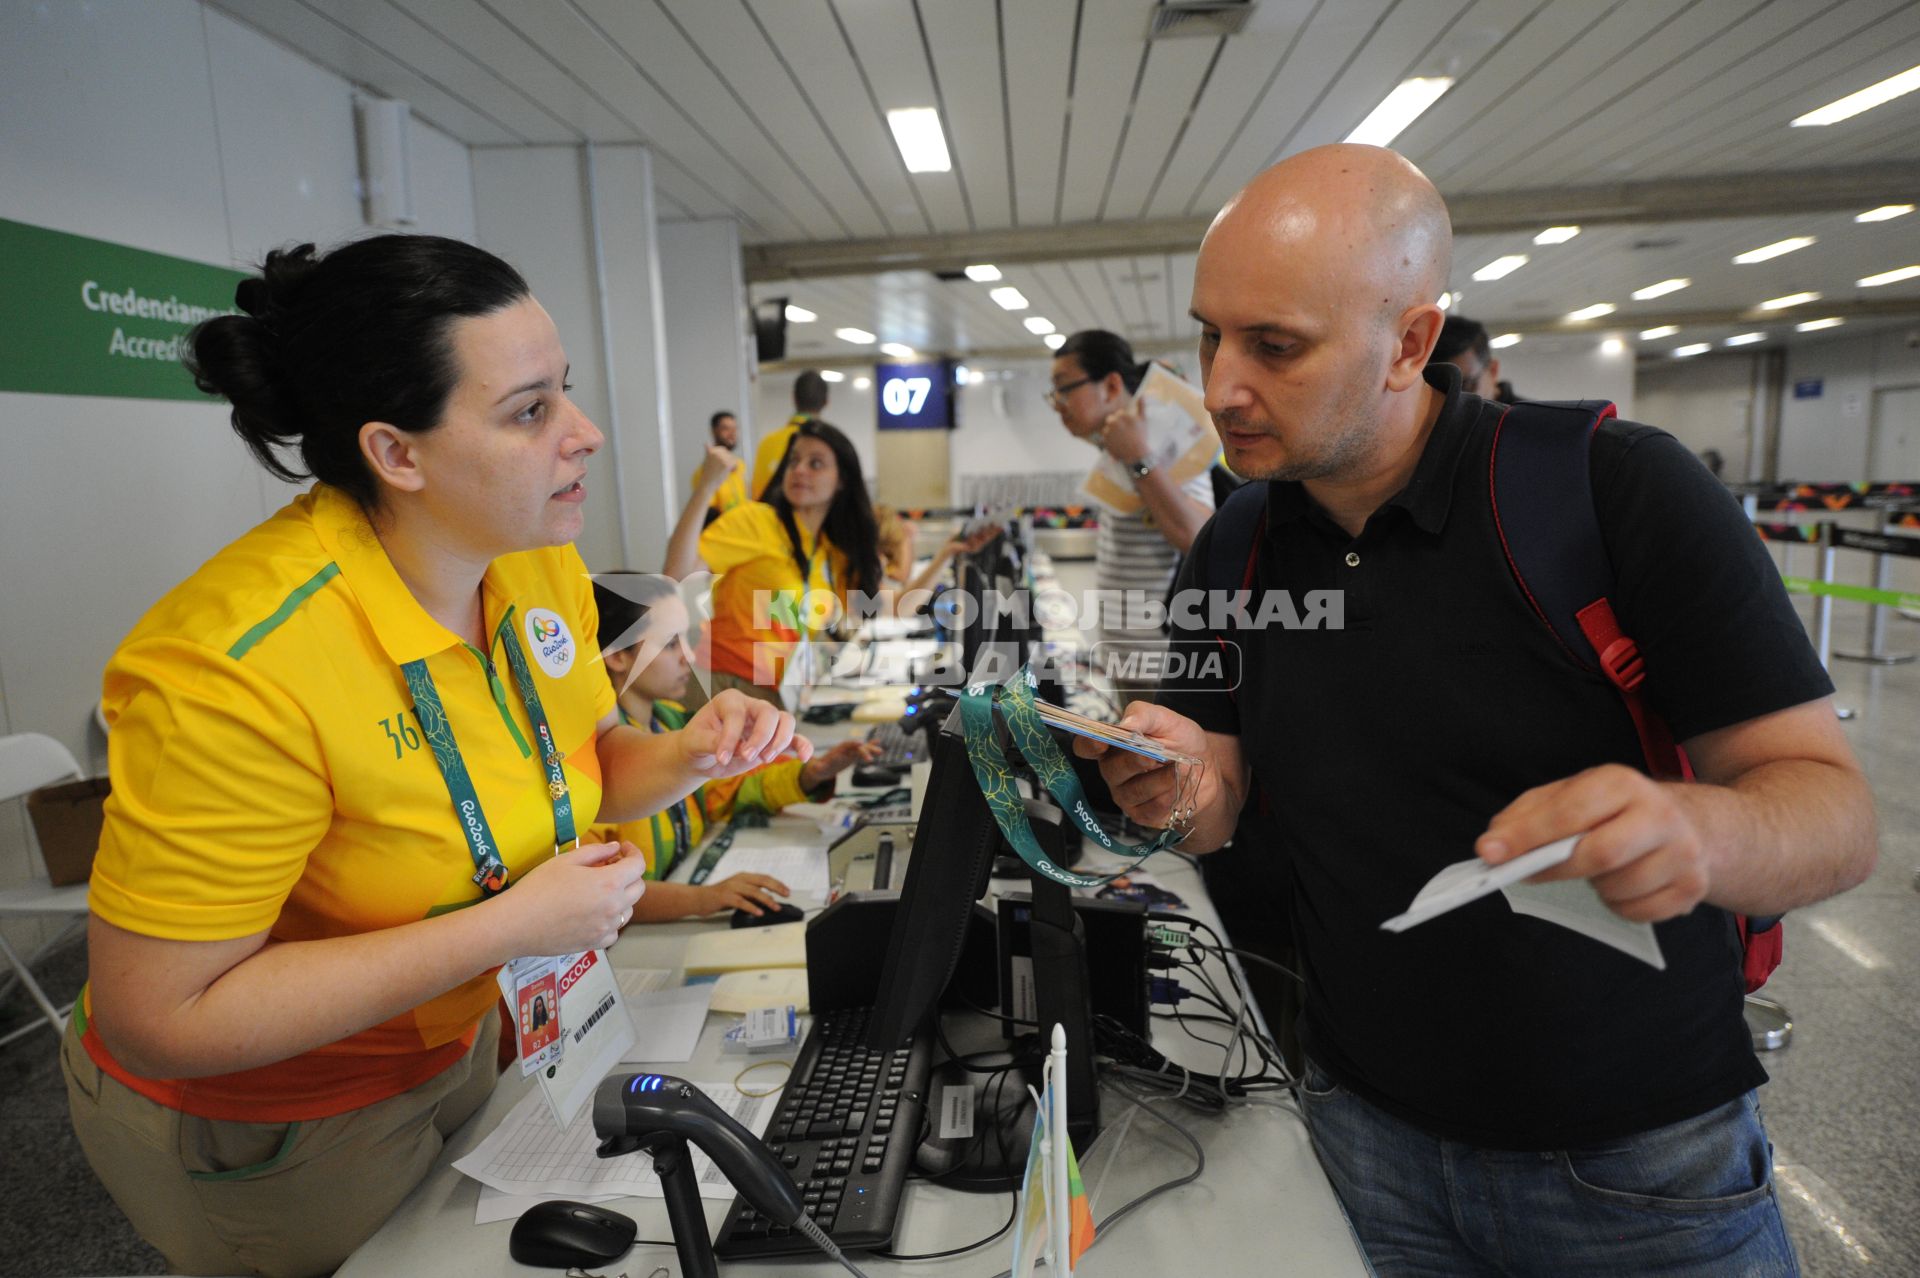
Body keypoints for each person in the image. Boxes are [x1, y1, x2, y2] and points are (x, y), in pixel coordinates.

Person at [1081, 145, 1878, 1277]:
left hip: (1639, 1171)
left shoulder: (1613, 492)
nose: (1218, 388)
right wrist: (1174, 778)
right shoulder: (1238, 542)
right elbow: (1216, 797)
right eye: (1211, 333)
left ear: (1410, 342)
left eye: (1277, 346)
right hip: (1362, 1139)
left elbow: (1833, 813)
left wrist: (1700, 832)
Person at [63, 235, 805, 1278]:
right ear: (396, 454)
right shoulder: (235, 667)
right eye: (530, 410)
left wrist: (688, 754)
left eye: (569, 394)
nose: (586, 435)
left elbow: (588, 761)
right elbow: (160, 1018)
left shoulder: (533, 557)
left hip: (470, 1038)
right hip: (285, 1116)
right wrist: (506, 927)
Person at [584, 575, 876, 916]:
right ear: (617, 656)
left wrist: (810, 774)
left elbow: (725, 791)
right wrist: (701, 900)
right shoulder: (592, 761)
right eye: (670, 644)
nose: (689, 656)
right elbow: (599, 888)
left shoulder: (670, 721)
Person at [1047, 330, 1215, 700]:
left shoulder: (1163, 443)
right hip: (1126, 660)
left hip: (1162, 666)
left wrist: (1138, 456)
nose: (1058, 404)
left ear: (1109, 386)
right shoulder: (1113, 447)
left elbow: (1199, 536)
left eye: (1064, 389)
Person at [666, 419, 881, 707]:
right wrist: (706, 488)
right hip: (727, 688)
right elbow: (676, 573)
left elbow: (843, 616)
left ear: (842, 480)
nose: (800, 470)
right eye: (794, 461)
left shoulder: (828, 549)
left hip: (782, 696)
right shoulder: (757, 521)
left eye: (815, 463)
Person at [752, 369, 828, 499]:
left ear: (793, 398)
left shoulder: (767, 443)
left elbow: (757, 497)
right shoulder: (830, 445)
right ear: (826, 402)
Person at [1428, 314, 1503, 401]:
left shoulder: (1520, 414)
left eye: (1466, 386)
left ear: (1493, 370)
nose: (1451, 402)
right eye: (1440, 390)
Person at [692, 410, 749, 524]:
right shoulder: (704, 473)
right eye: (726, 428)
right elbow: (708, 514)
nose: (732, 433)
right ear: (714, 431)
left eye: (734, 428)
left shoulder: (740, 465)